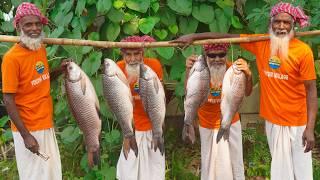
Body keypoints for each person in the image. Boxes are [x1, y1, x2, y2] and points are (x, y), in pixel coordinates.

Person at [174, 2, 318, 180]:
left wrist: (309, 128)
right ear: (270, 23)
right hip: (272, 120)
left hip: (297, 121)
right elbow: (226, 36)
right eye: (277, 22)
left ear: (293, 24)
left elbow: (311, 91)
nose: (281, 26)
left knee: (302, 170)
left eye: (286, 22)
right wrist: (195, 35)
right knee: (281, 170)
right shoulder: (260, 42)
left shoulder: (303, 51)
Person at [1, 2, 68, 180]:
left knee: (52, 174)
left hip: (45, 122)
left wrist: (59, 70)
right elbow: (8, 100)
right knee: (34, 176)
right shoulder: (11, 59)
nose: (34, 28)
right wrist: (26, 136)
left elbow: (42, 78)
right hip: (29, 128)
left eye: (37, 24)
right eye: (28, 24)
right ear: (18, 27)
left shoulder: (39, 48)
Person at [184, 43, 252, 180]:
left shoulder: (234, 70)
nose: (217, 59)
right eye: (212, 55)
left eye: (221, 55)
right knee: (210, 165)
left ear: (226, 54)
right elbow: (189, 92)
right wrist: (188, 70)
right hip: (206, 125)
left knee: (235, 163)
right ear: (205, 56)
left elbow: (248, 93)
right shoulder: (198, 70)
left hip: (231, 123)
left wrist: (248, 74)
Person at [116, 35, 165, 180]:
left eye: (136, 54)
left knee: (154, 171)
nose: (132, 59)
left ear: (142, 53)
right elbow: (119, 105)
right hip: (132, 128)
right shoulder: (118, 68)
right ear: (123, 55)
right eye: (128, 55)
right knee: (128, 171)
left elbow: (160, 99)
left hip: (153, 127)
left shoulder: (154, 65)